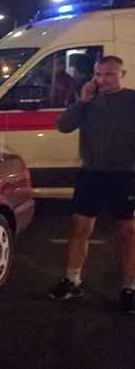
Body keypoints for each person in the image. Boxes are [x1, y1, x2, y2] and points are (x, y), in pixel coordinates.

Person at [50, 55, 135, 315]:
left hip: (125, 174)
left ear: (122, 74)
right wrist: (82, 102)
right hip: (91, 173)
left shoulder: (132, 99)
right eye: (98, 75)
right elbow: (62, 126)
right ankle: (72, 280)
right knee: (80, 227)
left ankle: (129, 287)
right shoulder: (87, 100)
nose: (102, 80)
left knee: (127, 232)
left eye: (109, 74)